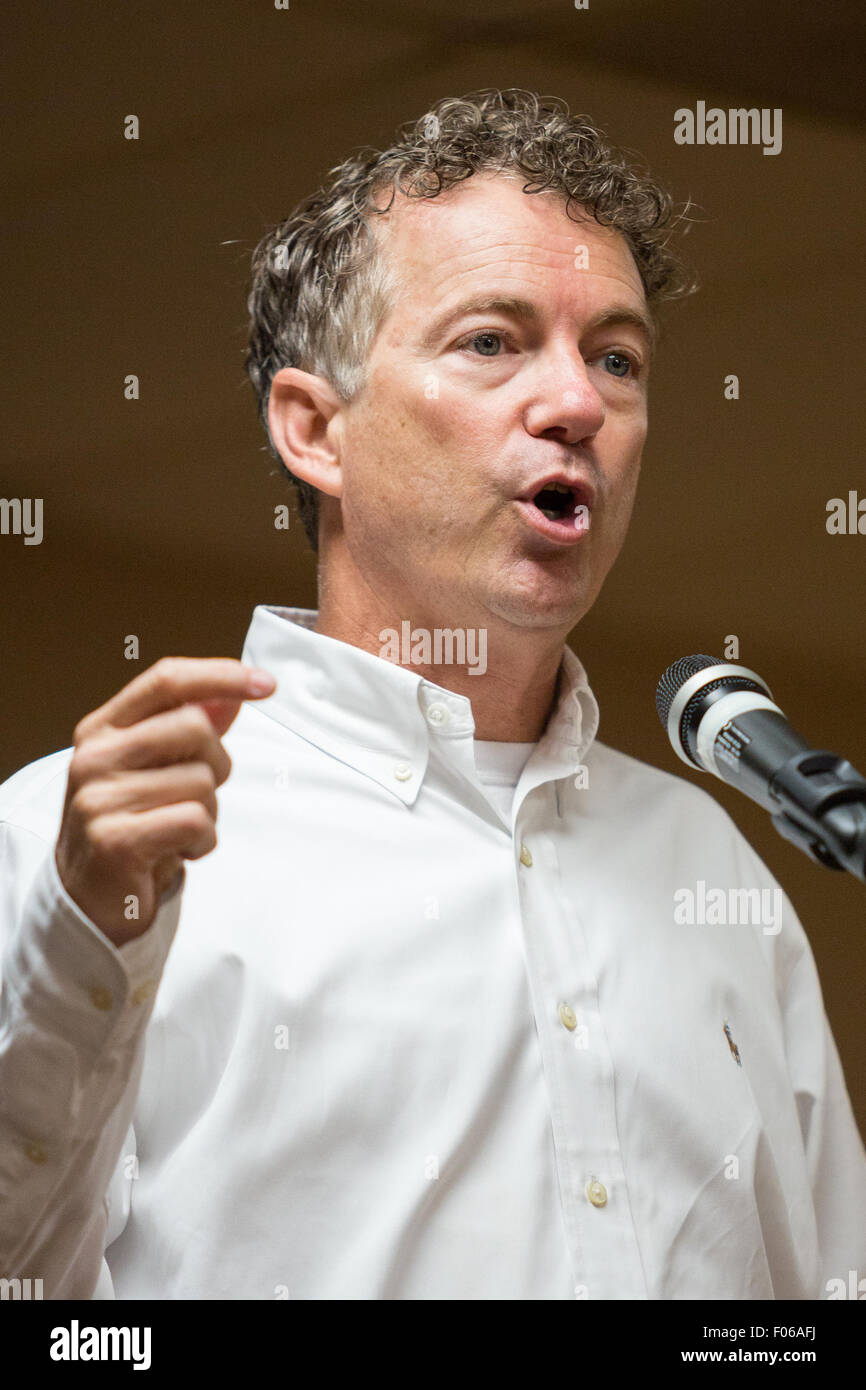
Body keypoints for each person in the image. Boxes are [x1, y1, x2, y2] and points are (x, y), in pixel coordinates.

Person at [1, 89, 864, 1301]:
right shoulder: (67, 848)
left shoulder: (708, 866)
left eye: (613, 357)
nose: (575, 404)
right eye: (491, 342)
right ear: (315, 429)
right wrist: (81, 946)